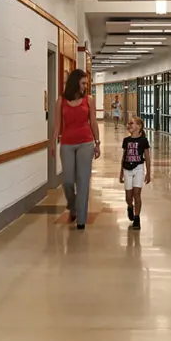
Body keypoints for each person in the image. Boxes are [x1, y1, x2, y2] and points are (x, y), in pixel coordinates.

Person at [51, 69, 100, 229]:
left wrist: (97, 142)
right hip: (67, 144)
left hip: (86, 143)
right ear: (75, 82)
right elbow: (57, 125)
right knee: (67, 181)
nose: (86, 86)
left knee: (83, 181)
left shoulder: (89, 100)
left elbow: (93, 122)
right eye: (83, 83)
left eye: (87, 83)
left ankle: (81, 220)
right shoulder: (61, 100)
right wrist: (53, 143)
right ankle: (72, 206)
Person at [119, 116, 151, 230]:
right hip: (127, 169)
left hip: (138, 168)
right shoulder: (126, 140)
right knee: (129, 196)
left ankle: (137, 218)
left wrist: (148, 173)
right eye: (128, 124)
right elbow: (124, 157)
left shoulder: (143, 141)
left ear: (139, 126)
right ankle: (129, 206)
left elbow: (147, 157)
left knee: (137, 194)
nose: (129, 125)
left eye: (131, 123)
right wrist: (121, 173)